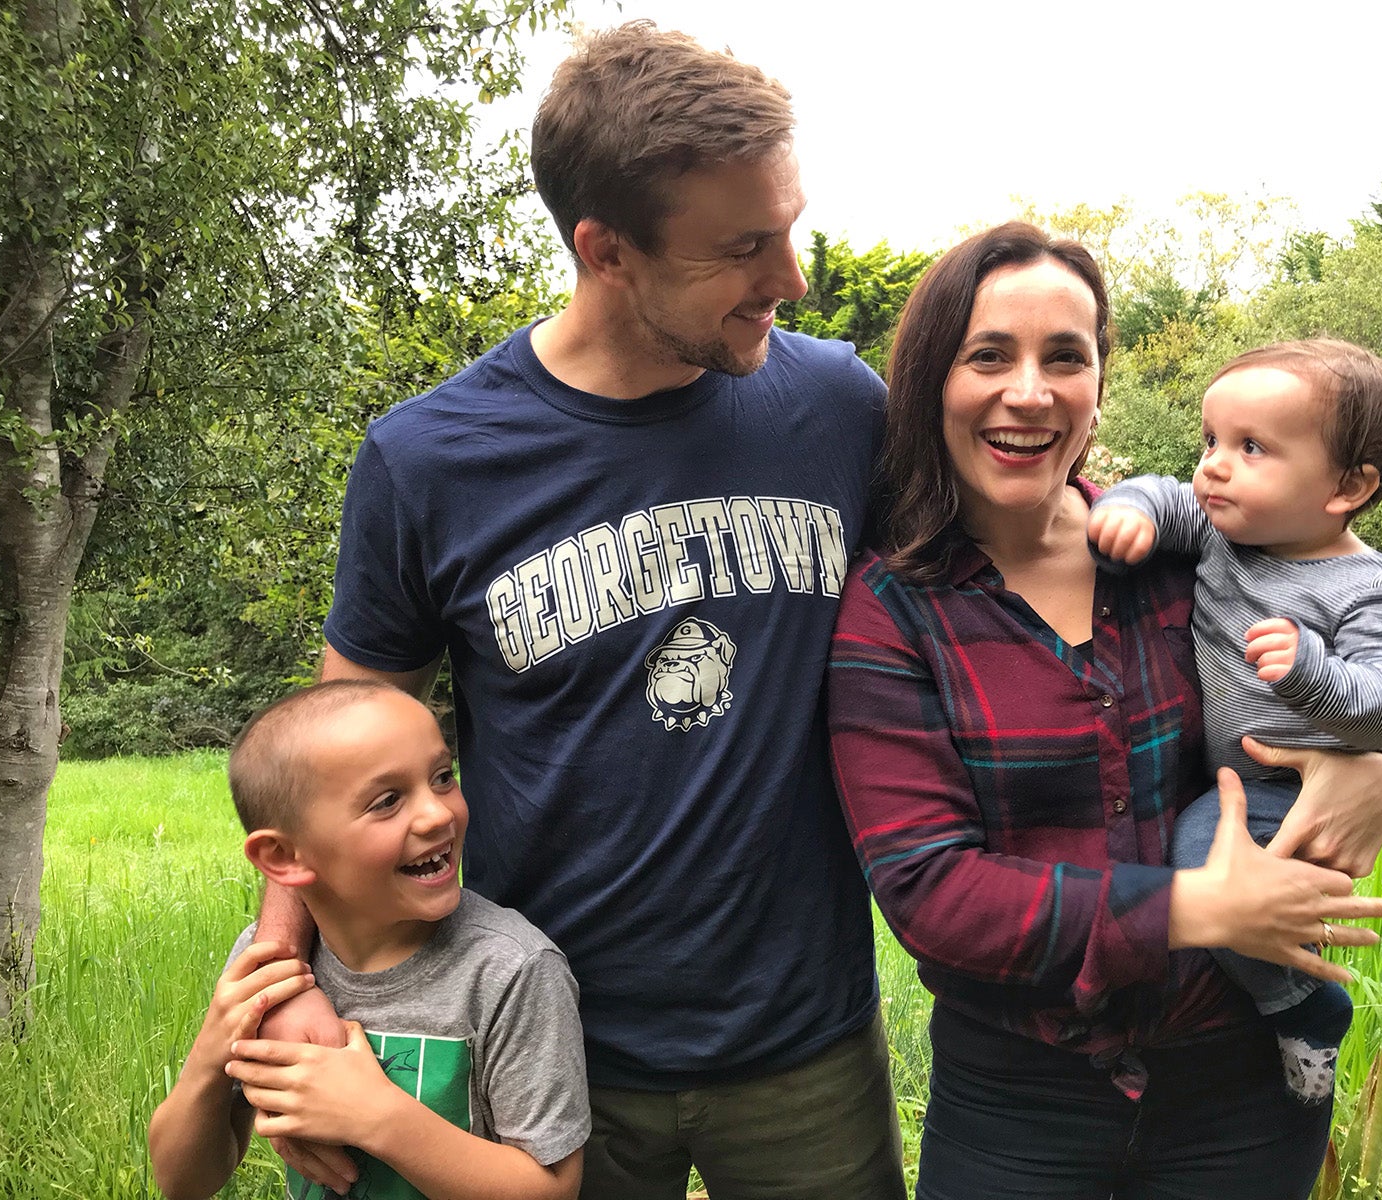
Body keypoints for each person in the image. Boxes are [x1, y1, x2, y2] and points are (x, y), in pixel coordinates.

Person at [253, 21, 904, 1200]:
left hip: (806, 1039)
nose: (792, 279)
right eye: (744, 247)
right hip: (545, 1043)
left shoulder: (838, 408)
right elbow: (334, 745)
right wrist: (283, 983)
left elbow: (1016, 555)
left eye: (791, 225)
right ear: (605, 249)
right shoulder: (429, 458)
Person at [826, 222, 1382, 1200]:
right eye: (989, 356)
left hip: (1242, 1084)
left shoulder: (1172, 550)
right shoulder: (890, 613)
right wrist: (1194, 908)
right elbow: (932, 892)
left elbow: (1374, 678)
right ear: (932, 379)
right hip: (1016, 1099)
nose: (1030, 391)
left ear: (1096, 383)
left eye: (1064, 357)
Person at [1087, 339, 1382, 1103]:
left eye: (1251, 448)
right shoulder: (1219, 529)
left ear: (1348, 486)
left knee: (1203, 858)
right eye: (1210, 440)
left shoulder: (1371, 586)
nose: (1213, 465)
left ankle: (1304, 1006)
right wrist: (1127, 510)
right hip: (1234, 780)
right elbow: (1160, 494)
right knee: (1216, 878)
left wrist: (1313, 671)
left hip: (1288, 787)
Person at [148, 680, 588, 1200]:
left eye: (443, 777)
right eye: (386, 802)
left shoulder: (511, 970)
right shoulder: (266, 968)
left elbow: (552, 1188)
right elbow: (184, 1183)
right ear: (284, 857)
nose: (438, 813)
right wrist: (210, 1055)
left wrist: (377, 1118)